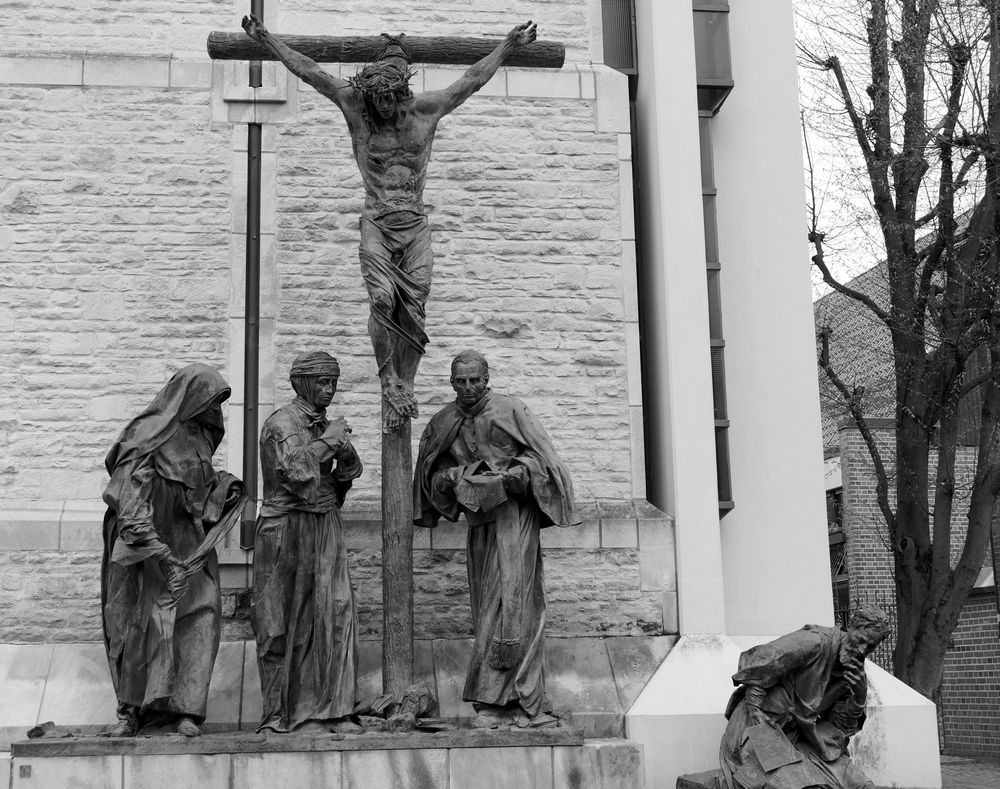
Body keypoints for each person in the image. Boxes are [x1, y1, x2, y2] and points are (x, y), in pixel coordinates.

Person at [240, 14, 538, 432]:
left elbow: (470, 79)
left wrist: (509, 45)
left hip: (414, 223)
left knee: (414, 309)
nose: (380, 107)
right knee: (382, 300)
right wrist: (266, 39)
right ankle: (388, 377)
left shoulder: (426, 111)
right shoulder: (356, 109)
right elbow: (312, 73)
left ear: (400, 92)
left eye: (387, 98)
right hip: (378, 220)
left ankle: (407, 381)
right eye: (374, 99)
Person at [414, 350, 579, 727]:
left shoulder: (511, 411)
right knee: (487, 609)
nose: (468, 387)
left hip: (515, 520)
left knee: (520, 605)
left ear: (487, 379)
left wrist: (512, 475)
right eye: (460, 381)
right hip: (480, 525)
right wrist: (455, 478)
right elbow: (431, 480)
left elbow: (547, 464)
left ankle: (525, 701)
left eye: (475, 380)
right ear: (451, 382)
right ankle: (491, 702)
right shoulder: (443, 422)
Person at [102, 363, 245, 737]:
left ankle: (187, 709)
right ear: (189, 397)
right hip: (144, 550)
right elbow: (130, 505)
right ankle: (130, 712)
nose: (215, 414)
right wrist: (163, 558)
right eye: (211, 403)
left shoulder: (199, 437)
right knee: (137, 626)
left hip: (190, 546)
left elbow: (197, 490)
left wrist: (222, 490)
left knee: (201, 617)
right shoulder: (145, 435)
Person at [251, 351, 364, 734]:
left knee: (336, 612)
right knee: (283, 622)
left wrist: (344, 451)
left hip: (325, 525)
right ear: (302, 383)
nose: (329, 390)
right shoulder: (281, 424)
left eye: (333, 382)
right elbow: (297, 471)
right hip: (287, 530)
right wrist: (331, 442)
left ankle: (336, 709)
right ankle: (280, 714)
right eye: (322, 382)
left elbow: (350, 472)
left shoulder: (325, 425)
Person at [719, 605, 893, 789]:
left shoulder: (852, 671)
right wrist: (754, 709)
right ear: (850, 627)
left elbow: (838, 728)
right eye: (860, 640)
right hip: (759, 726)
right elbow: (762, 658)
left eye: (870, 646)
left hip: (801, 737)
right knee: (802, 785)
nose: (862, 650)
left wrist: (858, 698)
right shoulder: (815, 641)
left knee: (860, 784)